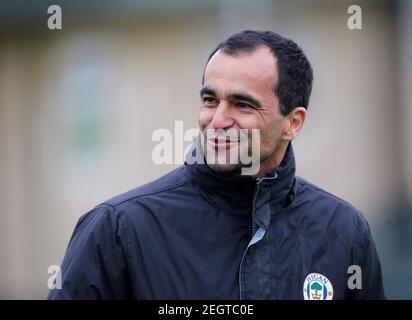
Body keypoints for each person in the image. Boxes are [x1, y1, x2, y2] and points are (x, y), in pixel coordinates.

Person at [48, 30, 385, 300]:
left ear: (293, 123)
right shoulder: (118, 230)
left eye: (242, 104)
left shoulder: (343, 231)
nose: (218, 120)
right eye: (210, 100)